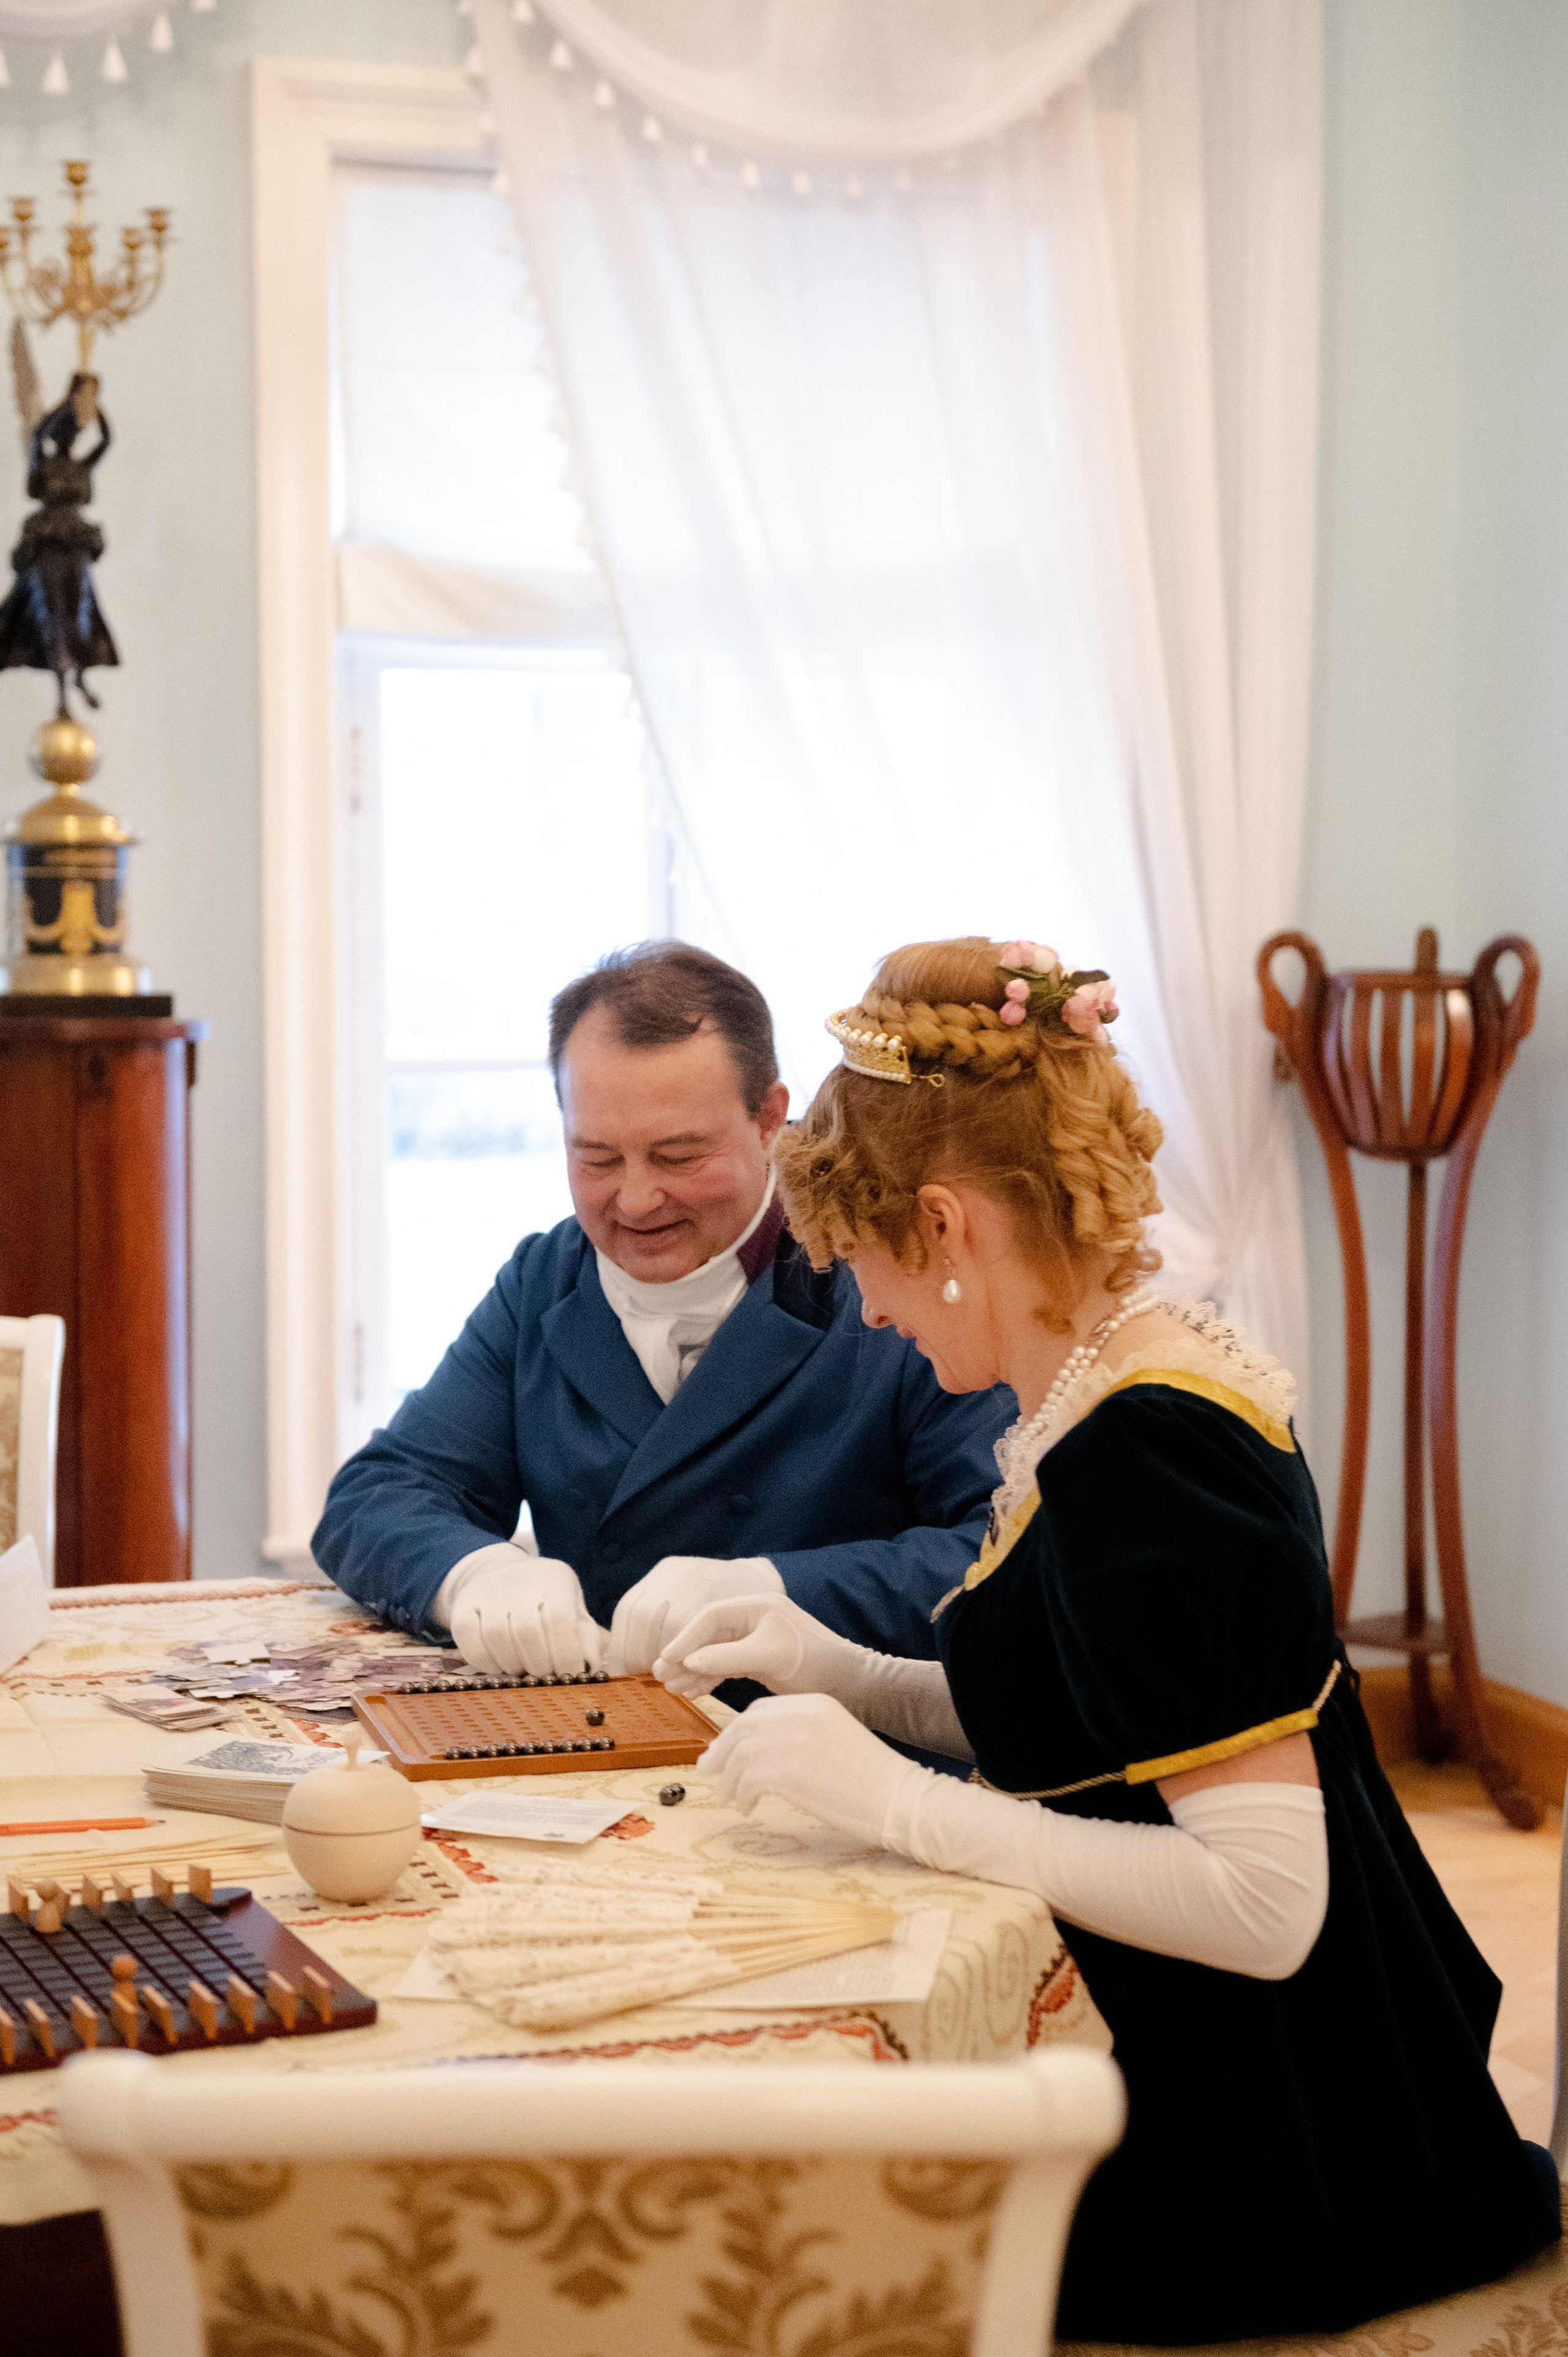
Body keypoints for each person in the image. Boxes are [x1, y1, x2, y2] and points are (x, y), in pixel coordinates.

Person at [651, 934, 1561, 2347]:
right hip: (1231, 2073)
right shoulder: (1109, 1378)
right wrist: (838, 1663)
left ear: (946, 1224)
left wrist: (898, 1803)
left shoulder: (1147, 1453)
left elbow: (1267, 1909)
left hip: (1257, 2149)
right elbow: (1096, 1720)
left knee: (799, 2219)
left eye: (868, 1264)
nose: (872, 1312)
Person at [312, 942, 1009, 1693]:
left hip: (842, 1744)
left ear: (770, 1116)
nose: (637, 1200)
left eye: (678, 1155)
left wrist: (771, 1589)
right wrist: (475, 1574)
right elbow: (377, 1494)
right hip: (606, 1735)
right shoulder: (546, 1279)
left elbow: (997, 1549)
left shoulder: (885, 1273)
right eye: (598, 1158)